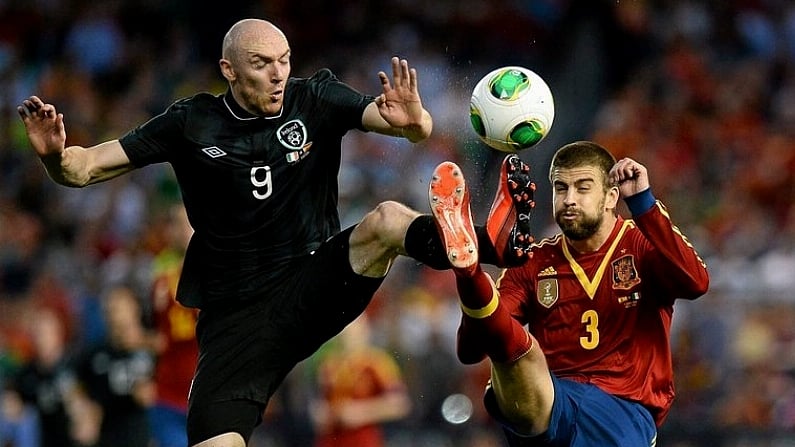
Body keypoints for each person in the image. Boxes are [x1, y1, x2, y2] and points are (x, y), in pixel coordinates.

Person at [17, 17, 532, 447]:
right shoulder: (189, 122)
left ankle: (489, 243)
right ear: (229, 70)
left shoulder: (316, 99)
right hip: (236, 320)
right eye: (262, 65)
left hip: (312, 281)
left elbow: (400, 123)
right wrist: (55, 157)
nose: (278, 74)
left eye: (284, 60)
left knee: (388, 220)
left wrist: (413, 121)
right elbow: (82, 170)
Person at [427, 141, 710, 446]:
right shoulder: (533, 263)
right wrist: (467, 284)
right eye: (560, 188)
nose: (569, 199)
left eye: (583, 188)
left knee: (522, 353)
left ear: (611, 197)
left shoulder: (641, 246)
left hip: (620, 411)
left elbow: (696, 283)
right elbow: (470, 351)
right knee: (519, 354)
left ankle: (471, 273)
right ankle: (469, 269)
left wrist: (643, 202)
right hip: (549, 405)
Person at [309, 313, 411, 447]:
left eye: (354, 328)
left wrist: (362, 413)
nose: (348, 334)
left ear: (365, 331)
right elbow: (320, 402)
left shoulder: (377, 362)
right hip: (330, 439)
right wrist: (319, 414)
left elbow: (400, 404)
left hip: (362, 439)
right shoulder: (329, 364)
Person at [146, 203, 198, 447]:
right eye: (176, 223)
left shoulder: (222, 270)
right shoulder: (162, 279)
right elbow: (158, 335)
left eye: (185, 221)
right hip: (169, 395)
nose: (180, 230)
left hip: (209, 393)